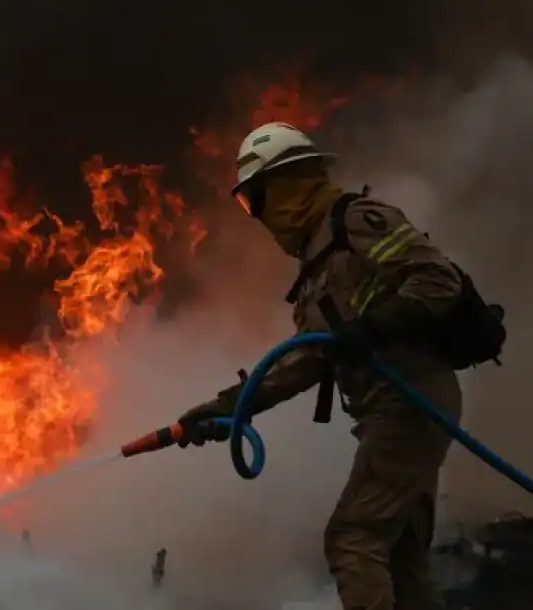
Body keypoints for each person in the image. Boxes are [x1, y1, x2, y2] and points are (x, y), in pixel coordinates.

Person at [178, 121, 463, 610]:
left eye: (254, 200)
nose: (257, 216)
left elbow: (439, 280)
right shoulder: (318, 258)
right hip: (390, 409)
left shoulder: (356, 222)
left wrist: (373, 328)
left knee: (353, 538)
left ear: (284, 185)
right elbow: (309, 357)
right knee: (400, 556)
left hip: (409, 400)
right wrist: (226, 409)